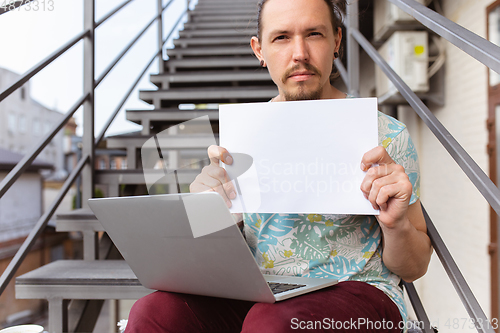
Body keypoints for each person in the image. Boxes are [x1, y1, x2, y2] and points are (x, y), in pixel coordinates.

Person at [125, 0, 432, 331]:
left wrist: (395, 224)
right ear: (259, 49)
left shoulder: (384, 134)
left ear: (337, 41)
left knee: (270, 323)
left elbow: (414, 267)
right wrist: (208, 214)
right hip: (261, 292)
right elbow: (219, 261)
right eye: (282, 37)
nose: (299, 52)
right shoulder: (242, 136)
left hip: (360, 292)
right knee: (153, 311)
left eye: (314, 34)